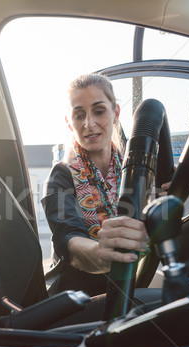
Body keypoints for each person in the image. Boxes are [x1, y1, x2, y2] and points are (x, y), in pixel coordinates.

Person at [42, 73, 148, 296]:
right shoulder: (60, 176)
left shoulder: (136, 169)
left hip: (132, 286)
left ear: (115, 113)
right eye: (79, 115)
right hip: (78, 297)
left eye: (99, 111)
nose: (89, 124)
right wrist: (104, 253)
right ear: (69, 123)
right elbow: (69, 239)